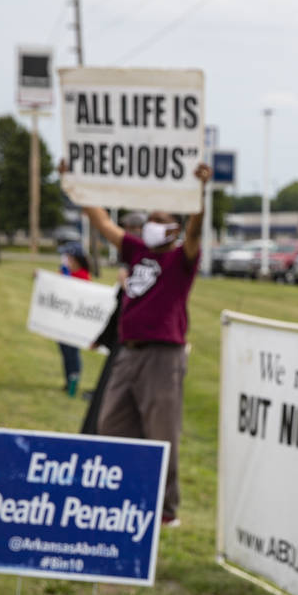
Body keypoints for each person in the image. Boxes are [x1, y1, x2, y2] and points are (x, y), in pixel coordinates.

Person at [74, 164, 211, 527]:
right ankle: (124, 493)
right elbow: (103, 224)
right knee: (112, 422)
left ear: (174, 230)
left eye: (158, 220)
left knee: (161, 429)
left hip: (162, 355)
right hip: (128, 352)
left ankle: (166, 508)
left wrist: (200, 193)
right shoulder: (137, 251)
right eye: (148, 219)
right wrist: (77, 182)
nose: (149, 224)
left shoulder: (181, 259)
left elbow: (197, 229)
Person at [80, 213, 140, 434]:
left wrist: (129, 286)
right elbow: (119, 310)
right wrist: (102, 338)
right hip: (121, 339)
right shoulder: (130, 261)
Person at [55, 242, 92, 397]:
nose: (65, 259)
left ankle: (73, 382)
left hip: (74, 322)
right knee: (64, 351)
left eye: (67, 256)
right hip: (63, 320)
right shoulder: (64, 272)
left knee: (72, 353)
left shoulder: (83, 276)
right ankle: (67, 380)